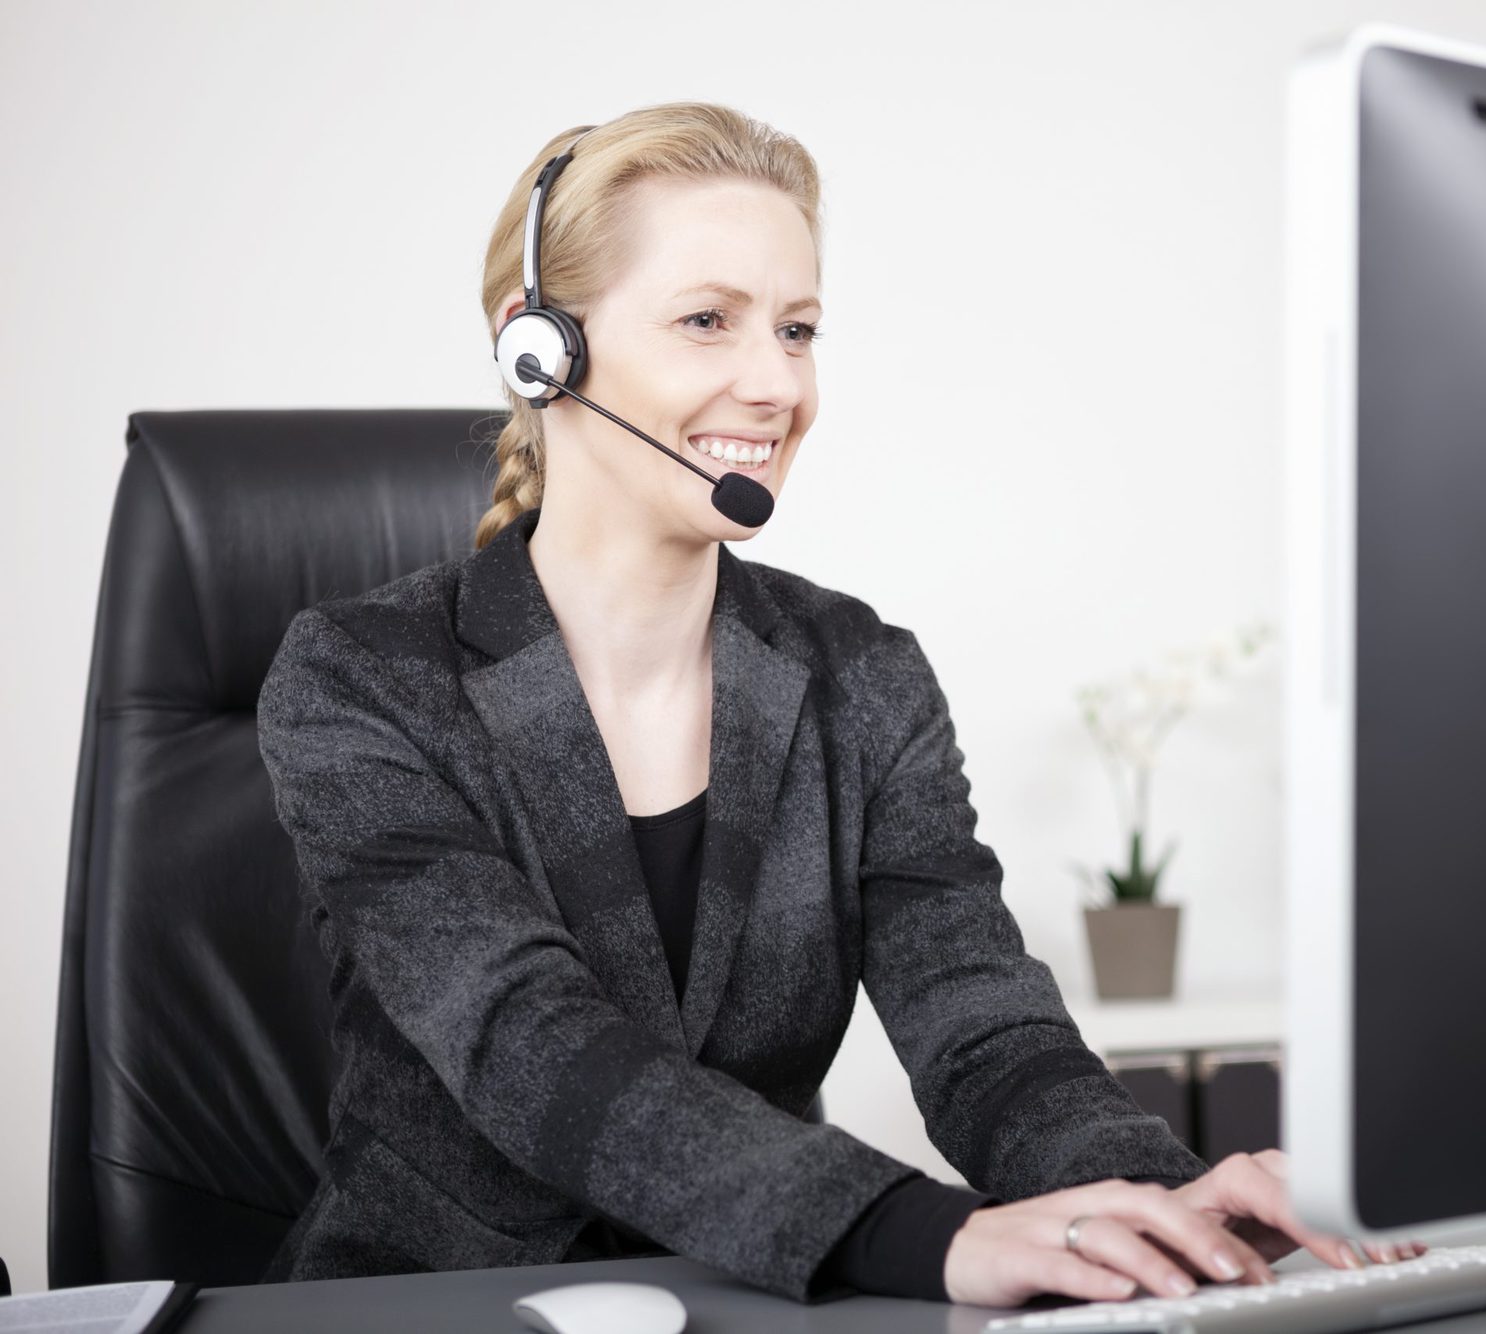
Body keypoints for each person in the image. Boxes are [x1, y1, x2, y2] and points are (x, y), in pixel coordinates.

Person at [255, 101, 1420, 1308]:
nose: (774, 384)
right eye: (707, 321)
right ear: (538, 348)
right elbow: (527, 1041)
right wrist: (921, 1232)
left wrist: (1151, 1206)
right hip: (421, 1303)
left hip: (744, 1291)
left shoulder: (859, 674)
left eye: (798, 329)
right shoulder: (360, 677)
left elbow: (981, 1025)